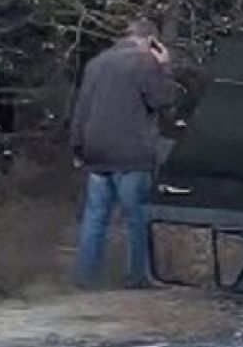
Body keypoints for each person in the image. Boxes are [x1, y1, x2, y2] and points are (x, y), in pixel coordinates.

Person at [70, 18, 175, 289]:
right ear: (150, 40)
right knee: (135, 216)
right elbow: (162, 100)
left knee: (95, 216)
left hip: (96, 150)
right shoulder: (144, 63)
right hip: (131, 151)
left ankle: (85, 278)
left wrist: (77, 146)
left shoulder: (96, 64)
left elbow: (82, 107)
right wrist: (163, 67)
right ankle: (136, 277)